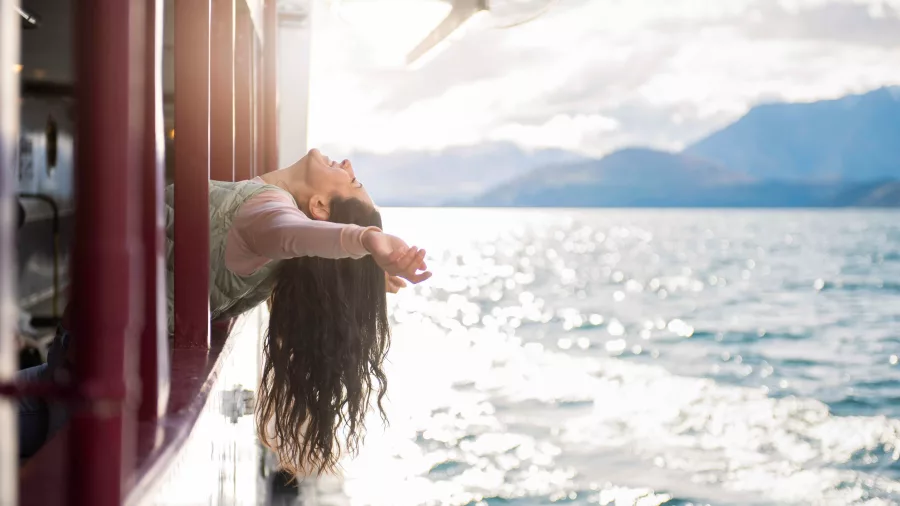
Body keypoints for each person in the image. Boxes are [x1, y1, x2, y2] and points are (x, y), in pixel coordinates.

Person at [17, 149, 432, 475]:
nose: (346, 163)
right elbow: (301, 242)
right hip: (87, 360)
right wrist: (365, 264)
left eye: (352, 179)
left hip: (95, 365)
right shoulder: (269, 221)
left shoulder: (267, 213)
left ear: (321, 206)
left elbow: (290, 233)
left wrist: (366, 241)